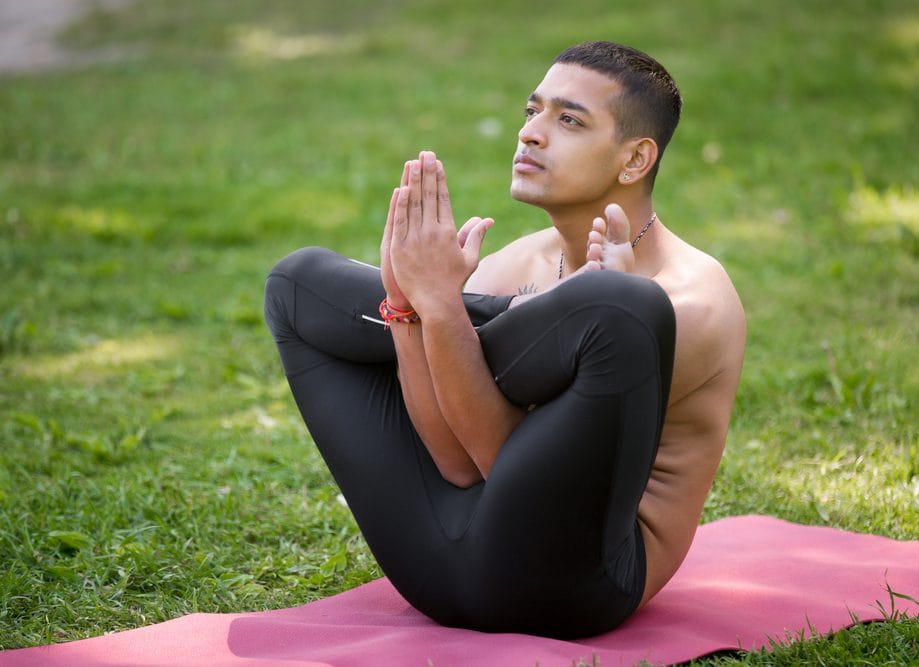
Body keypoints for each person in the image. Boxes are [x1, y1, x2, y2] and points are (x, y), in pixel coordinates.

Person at [264, 41, 746, 639]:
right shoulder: (518, 262)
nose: (532, 134)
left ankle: (506, 314)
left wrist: (444, 307)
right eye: (532, 111)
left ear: (634, 160)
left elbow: (501, 464)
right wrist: (410, 308)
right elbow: (453, 460)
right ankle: (461, 310)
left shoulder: (690, 299)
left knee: (622, 308)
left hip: (575, 584)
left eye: (568, 119)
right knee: (296, 284)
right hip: (434, 562)